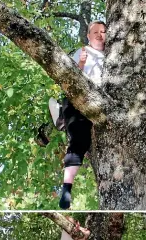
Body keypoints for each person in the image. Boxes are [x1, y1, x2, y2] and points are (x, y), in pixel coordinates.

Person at [49, 21, 106, 209]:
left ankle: (61, 118)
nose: (99, 35)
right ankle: (66, 190)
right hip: (78, 102)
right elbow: (70, 80)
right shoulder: (83, 52)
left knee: (82, 141)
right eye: (95, 32)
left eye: (103, 31)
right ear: (88, 36)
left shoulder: (112, 56)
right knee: (78, 140)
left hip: (98, 106)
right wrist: (81, 63)